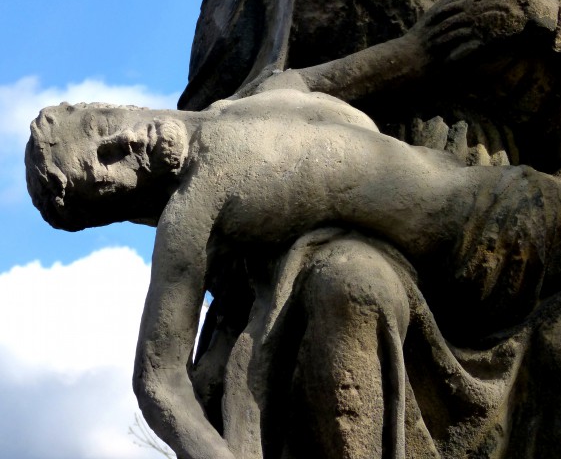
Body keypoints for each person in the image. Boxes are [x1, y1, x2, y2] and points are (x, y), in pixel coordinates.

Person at [174, 0, 561, 458]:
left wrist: (532, 20)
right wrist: (410, 59)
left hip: (487, 233)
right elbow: (209, 130)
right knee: (347, 286)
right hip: (327, 219)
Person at [24, 90, 561, 459]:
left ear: (104, 106)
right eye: (106, 172)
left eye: (101, 129)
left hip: (509, 187)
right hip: (484, 263)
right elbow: (157, 380)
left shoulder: (259, 95)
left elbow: (391, 62)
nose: (123, 145)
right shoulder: (191, 215)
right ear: (117, 208)